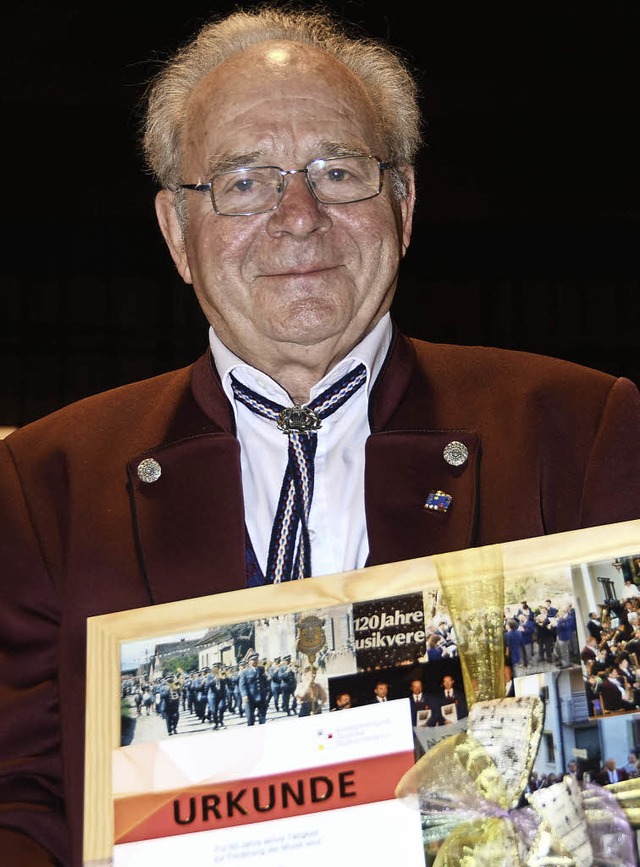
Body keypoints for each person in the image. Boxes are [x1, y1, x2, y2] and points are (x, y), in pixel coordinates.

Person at [1, 5, 640, 865]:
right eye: (244, 181)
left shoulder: (578, 428)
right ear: (176, 233)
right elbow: (23, 802)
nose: (298, 215)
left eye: (339, 172)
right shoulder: (45, 483)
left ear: (405, 205)